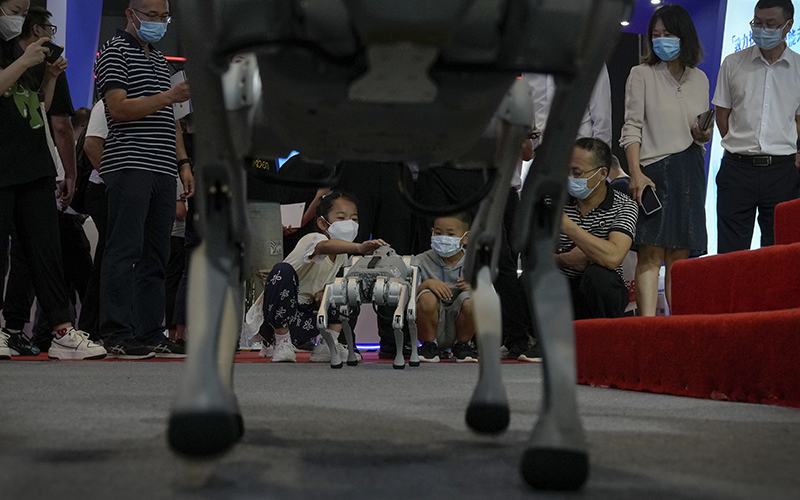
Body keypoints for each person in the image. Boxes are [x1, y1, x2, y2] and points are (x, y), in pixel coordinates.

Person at [0, 0, 105, 360]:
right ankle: (5, 329)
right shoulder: (18, 55)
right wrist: (24, 62)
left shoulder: (28, 57)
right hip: (3, 163)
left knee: (46, 252)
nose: (20, 13)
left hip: (35, 165)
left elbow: (38, 110)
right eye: (15, 7)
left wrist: (49, 77)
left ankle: (62, 331)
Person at [94, 0, 194, 359]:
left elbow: (172, 117)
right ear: (131, 14)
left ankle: (151, 331)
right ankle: (117, 333)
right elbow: (118, 109)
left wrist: (183, 162)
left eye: (164, 17)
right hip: (130, 164)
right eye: (151, 16)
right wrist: (169, 95)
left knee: (158, 254)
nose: (159, 23)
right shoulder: (114, 51)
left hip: (163, 168)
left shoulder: (159, 57)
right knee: (124, 250)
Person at [620, 4, 712, 317]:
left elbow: (701, 132)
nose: (661, 40)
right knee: (650, 253)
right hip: (653, 171)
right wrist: (635, 172)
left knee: (681, 258)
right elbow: (631, 128)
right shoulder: (641, 74)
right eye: (656, 35)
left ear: (684, 37)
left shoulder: (700, 78)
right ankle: (647, 330)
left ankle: (680, 328)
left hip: (689, 168)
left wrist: (702, 134)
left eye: (668, 34)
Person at [712, 0, 800, 253]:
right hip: (736, 170)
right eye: (757, 23)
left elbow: (798, 121)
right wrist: (741, 146)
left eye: (770, 24)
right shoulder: (733, 63)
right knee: (730, 252)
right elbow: (722, 116)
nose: (762, 29)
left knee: (779, 252)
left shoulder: (798, 68)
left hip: (782, 172)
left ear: (788, 26)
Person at [259, 191, 388, 363]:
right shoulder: (313, 239)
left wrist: (323, 292)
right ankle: (281, 341)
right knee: (282, 271)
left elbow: (325, 286)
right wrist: (359, 248)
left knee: (349, 282)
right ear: (322, 223)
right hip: (279, 317)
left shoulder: (344, 256)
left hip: (309, 319)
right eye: (341, 218)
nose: (349, 224)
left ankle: (328, 344)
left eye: (354, 219)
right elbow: (323, 247)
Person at [558, 138, 638, 319]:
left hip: (598, 294)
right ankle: (528, 343)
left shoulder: (624, 205)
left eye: (577, 173)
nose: (570, 178)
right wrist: (564, 260)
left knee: (599, 277)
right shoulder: (552, 201)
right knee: (528, 280)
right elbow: (529, 254)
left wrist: (568, 227)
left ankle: (605, 340)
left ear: (602, 173)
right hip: (558, 289)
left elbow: (613, 257)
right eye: (567, 172)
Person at [414, 212, 477, 363]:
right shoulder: (420, 260)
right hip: (432, 322)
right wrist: (426, 284)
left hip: (460, 322)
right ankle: (429, 345)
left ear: (466, 237)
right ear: (432, 232)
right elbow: (406, 298)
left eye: (450, 234)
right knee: (426, 296)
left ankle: (463, 345)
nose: (443, 238)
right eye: (438, 233)